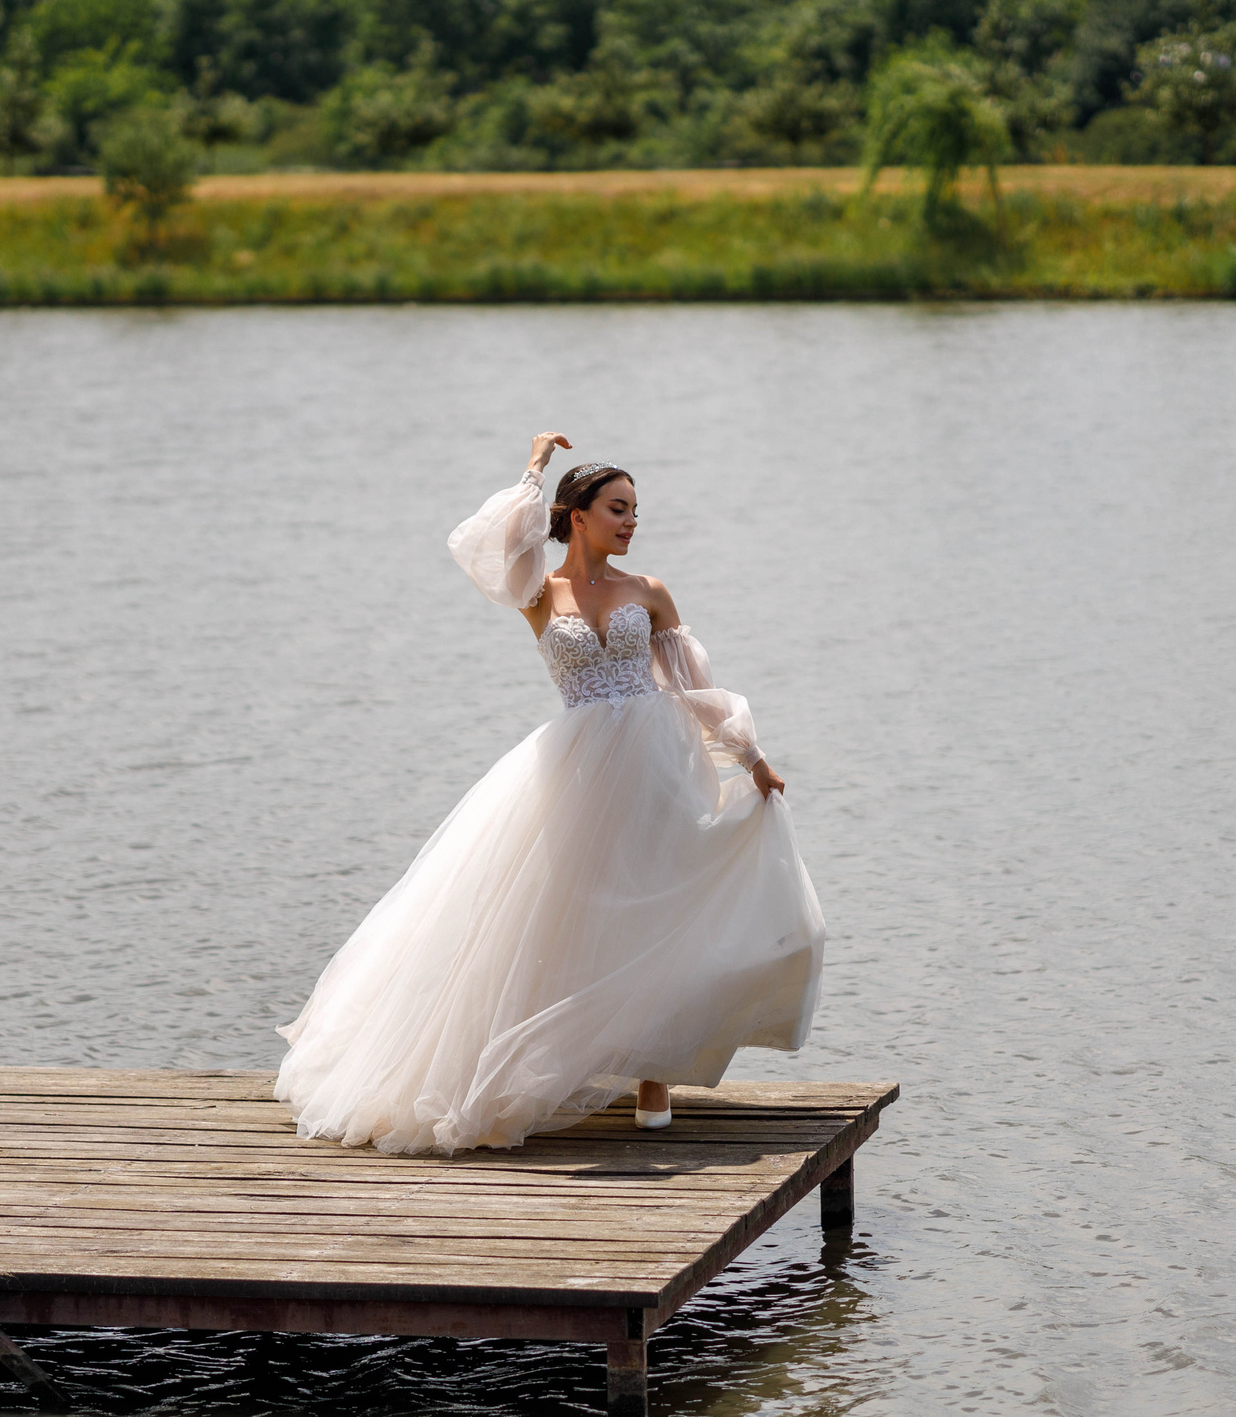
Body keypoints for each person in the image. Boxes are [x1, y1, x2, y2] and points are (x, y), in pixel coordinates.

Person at [276, 432, 825, 1153]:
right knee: (572, 910)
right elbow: (494, 546)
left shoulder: (649, 592)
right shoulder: (538, 590)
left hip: (658, 762)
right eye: (617, 508)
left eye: (636, 510)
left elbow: (691, 684)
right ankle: (560, 1059)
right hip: (574, 769)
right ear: (576, 515)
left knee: (653, 903)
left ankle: (653, 1070)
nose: (631, 522)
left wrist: (751, 757)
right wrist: (534, 468)